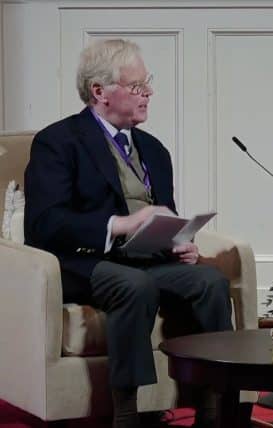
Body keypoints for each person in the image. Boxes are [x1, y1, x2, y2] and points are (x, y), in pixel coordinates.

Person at [24, 39, 232, 428]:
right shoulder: (58, 142)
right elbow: (45, 224)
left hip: (147, 260)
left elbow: (161, 213)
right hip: (85, 262)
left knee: (210, 282)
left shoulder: (154, 149)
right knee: (134, 286)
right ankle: (128, 414)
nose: (148, 93)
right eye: (137, 86)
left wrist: (179, 242)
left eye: (146, 83)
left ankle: (214, 407)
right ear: (99, 92)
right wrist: (118, 225)